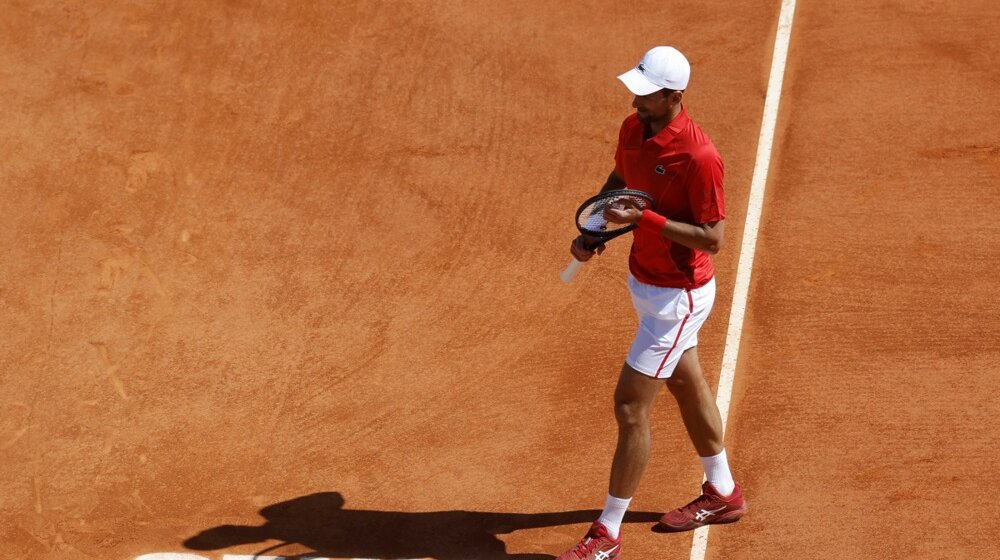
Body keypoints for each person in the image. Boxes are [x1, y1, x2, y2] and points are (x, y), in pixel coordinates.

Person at [557, 46, 747, 560]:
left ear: (674, 96)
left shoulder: (700, 157)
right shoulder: (631, 128)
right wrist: (593, 228)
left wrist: (645, 222)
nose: (635, 101)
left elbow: (713, 239)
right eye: (635, 90)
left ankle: (606, 535)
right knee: (688, 383)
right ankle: (723, 492)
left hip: (678, 298)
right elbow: (622, 181)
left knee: (629, 405)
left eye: (646, 94)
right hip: (645, 280)